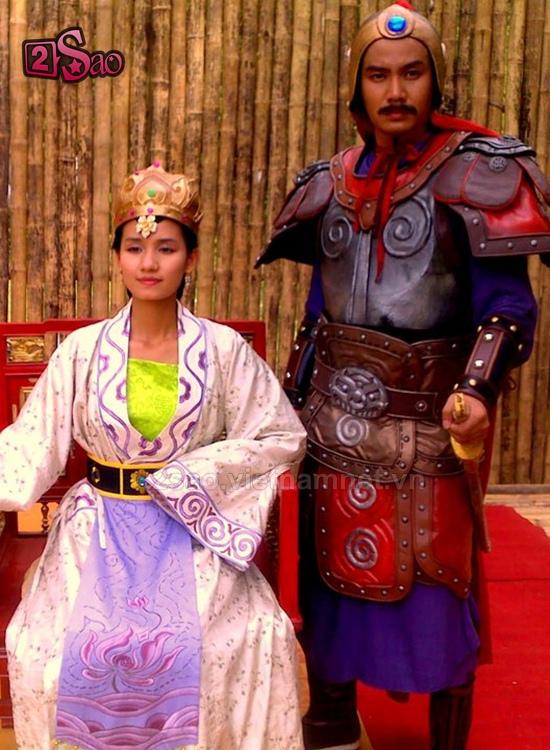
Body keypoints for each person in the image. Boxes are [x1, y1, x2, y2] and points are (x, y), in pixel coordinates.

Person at [255, 2, 550, 749]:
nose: (395, 90)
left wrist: (476, 388)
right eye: (379, 75)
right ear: (357, 88)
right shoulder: (329, 182)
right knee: (325, 583)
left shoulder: (482, 172)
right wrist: (288, 402)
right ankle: (330, 720)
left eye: (411, 73)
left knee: (438, 587)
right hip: (332, 421)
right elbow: (318, 312)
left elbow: (509, 307)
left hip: (430, 420)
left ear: (435, 80)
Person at [1, 163, 306, 750]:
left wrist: (195, 475)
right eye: (135, 248)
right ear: (117, 258)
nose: (149, 263)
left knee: (226, 643)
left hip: (191, 530)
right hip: (96, 527)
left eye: (166, 248)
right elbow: (30, 442)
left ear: (191, 259)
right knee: (53, 649)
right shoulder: (82, 352)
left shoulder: (222, 349)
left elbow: (278, 435)